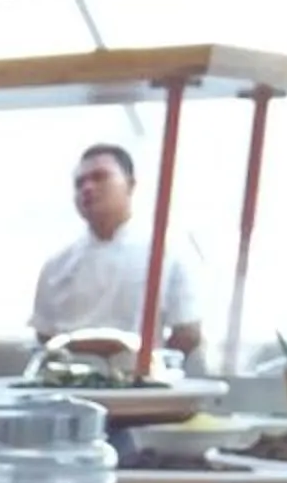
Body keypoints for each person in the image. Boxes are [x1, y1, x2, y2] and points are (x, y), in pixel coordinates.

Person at [29, 142, 200, 362]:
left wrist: (148, 367)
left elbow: (187, 332)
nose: (87, 188)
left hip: (140, 385)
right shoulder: (56, 264)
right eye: (79, 183)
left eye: (100, 177)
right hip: (67, 384)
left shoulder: (169, 252)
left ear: (130, 185)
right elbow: (45, 334)